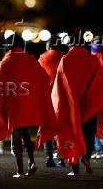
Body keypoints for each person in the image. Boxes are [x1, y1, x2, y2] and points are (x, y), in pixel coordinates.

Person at [0, 34, 58, 178]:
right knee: (26, 134)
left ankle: (20, 171)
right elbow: (44, 78)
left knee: (16, 136)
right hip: (29, 103)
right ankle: (32, 162)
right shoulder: (31, 60)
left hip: (14, 104)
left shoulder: (5, 63)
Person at [52, 35, 103, 176]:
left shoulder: (65, 59)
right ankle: (86, 156)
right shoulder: (93, 60)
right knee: (88, 134)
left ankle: (74, 167)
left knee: (73, 135)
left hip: (71, 107)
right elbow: (100, 84)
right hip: (89, 106)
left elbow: (59, 85)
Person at [38, 35, 67, 167]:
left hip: (45, 97)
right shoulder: (65, 57)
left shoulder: (42, 57)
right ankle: (61, 157)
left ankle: (49, 157)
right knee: (61, 128)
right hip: (61, 96)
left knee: (46, 126)